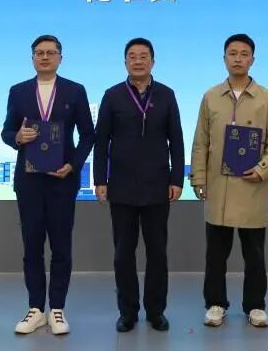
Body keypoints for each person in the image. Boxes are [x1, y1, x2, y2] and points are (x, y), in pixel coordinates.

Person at [190, 33, 268, 329]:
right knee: (215, 253)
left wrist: (262, 169)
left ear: (252, 60)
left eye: (244, 54)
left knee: (254, 253)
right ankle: (215, 303)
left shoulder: (267, 99)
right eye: (232, 53)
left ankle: (255, 305)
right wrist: (198, 177)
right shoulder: (210, 97)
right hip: (219, 186)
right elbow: (200, 142)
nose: (238, 58)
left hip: (251, 185)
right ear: (224, 59)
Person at [1, 35, 94, 335]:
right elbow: (6, 131)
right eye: (39, 53)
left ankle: (57, 309)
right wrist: (17, 137)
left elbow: (88, 135)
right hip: (28, 181)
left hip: (61, 180)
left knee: (61, 245)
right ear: (32, 58)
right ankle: (35, 309)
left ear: (60, 58)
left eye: (50, 53)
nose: (44, 57)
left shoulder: (75, 91)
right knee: (32, 245)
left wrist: (73, 165)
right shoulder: (18, 91)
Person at [94, 37, 185, 332]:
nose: (138, 61)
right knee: (123, 254)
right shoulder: (112, 96)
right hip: (121, 187)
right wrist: (100, 179)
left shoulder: (167, 95)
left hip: (157, 185)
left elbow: (177, 140)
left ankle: (156, 311)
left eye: (143, 56)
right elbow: (101, 141)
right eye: (132, 56)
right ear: (125, 62)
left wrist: (176, 179)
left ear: (153, 62)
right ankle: (127, 312)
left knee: (157, 252)